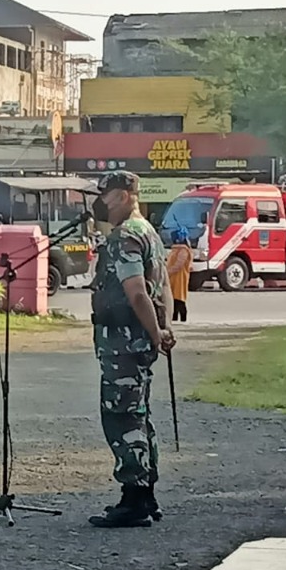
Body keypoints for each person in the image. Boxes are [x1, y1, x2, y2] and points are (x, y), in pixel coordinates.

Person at [87, 171, 175, 529]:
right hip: (139, 339)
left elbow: (137, 291)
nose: (101, 203)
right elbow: (165, 286)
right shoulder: (149, 232)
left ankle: (134, 498)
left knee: (123, 417)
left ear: (124, 196)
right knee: (138, 414)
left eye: (106, 195)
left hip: (124, 341)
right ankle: (146, 493)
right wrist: (163, 329)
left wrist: (155, 333)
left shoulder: (125, 237)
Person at [166, 227, 192, 323]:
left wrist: (168, 272)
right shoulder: (176, 249)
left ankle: (183, 319)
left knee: (179, 298)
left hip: (180, 278)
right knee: (173, 298)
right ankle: (175, 317)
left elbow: (179, 264)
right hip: (173, 278)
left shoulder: (183, 251)